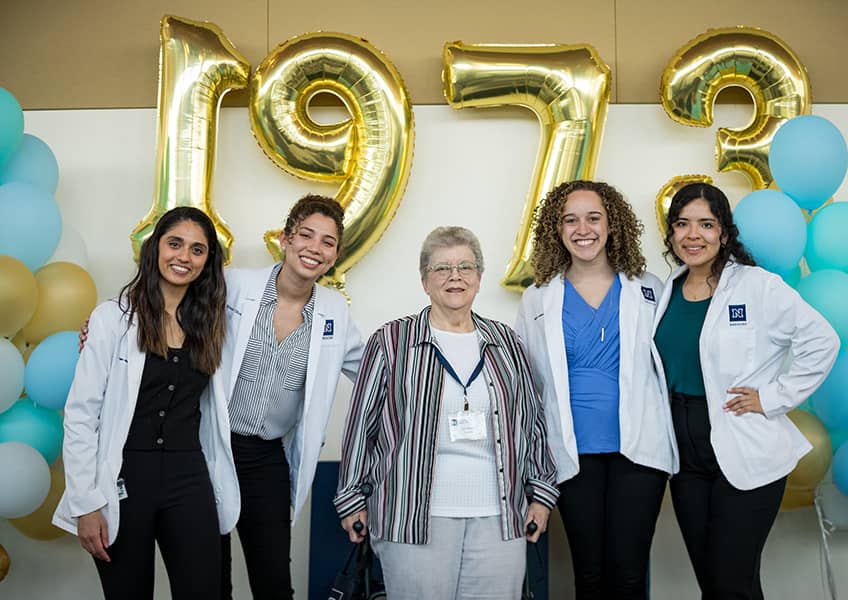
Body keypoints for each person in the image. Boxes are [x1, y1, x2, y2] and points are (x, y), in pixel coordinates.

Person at [334, 226, 558, 600]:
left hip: (500, 519)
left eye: (465, 267)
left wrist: (541, 493)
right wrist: (352, 498)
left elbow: (532, 423)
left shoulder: (507, 343)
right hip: (412, 517)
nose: (455, 276)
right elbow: (361, 426)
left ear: (479, 278)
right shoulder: (391, 340)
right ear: (425, 281)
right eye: (442, 269)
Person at [651, 182, 839, 599]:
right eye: (682, 224)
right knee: (715, 583)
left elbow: (822, 341)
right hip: (686, 455)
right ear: (671, 234)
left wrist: (772, 397)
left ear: (724, 232)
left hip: (744, 445)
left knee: (730, 582)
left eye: (705, 224)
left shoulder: (757, 287)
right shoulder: (669, 290)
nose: (692, 235)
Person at [53, 207, 239, 599]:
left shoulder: (213, 324)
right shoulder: (112, 318)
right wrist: (85, 505)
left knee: (205, 590)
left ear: (208, 263)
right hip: (124, 481)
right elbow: (81, 415)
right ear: (155, 248)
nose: (184, 257)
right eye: (175, 244)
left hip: (189, 475)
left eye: (197, 250)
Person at [516, 180, 677, 599]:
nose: (582, 228)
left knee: (628, 574)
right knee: (588, 575)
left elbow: (670, 365)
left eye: (593, 217)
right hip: (571, 453)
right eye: (570, 219)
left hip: (638, 451)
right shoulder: (537, 298)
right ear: (557, 229)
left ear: (612, 225)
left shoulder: (649, 288)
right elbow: (527, 383)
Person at [220, 194, 364, 599]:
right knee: (210, 579)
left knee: (274, 584)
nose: (314, 248)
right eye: (306, 235)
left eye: (327, 242)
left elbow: (375, 370)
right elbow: (170, 305)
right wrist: (110, 319)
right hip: (212, 446)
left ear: (335, 256)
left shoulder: (335, 311)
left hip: (266, 459)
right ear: (285, 239)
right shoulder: (236, 286)